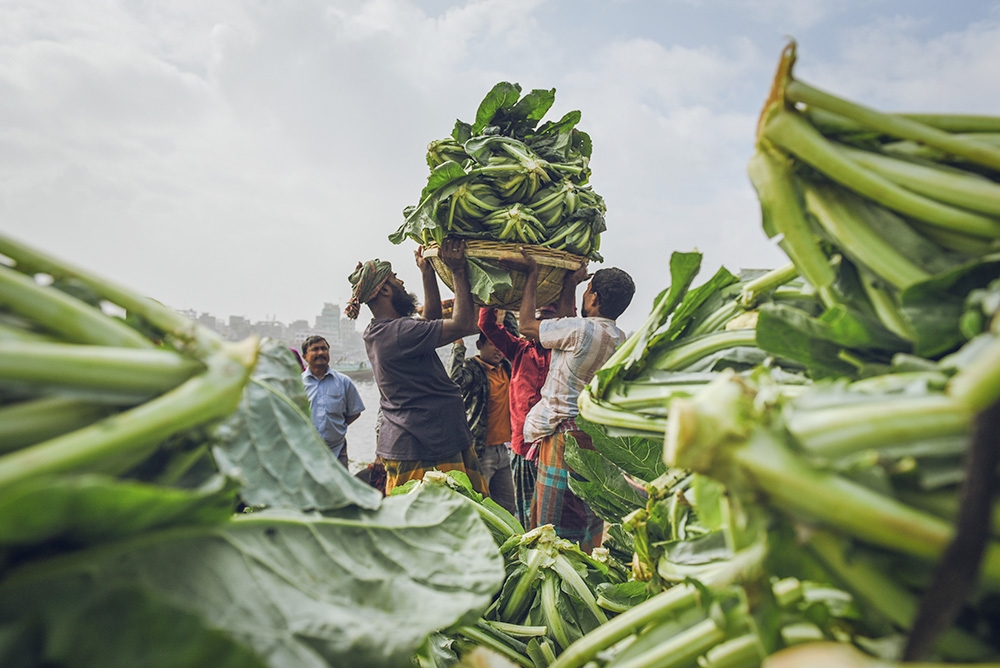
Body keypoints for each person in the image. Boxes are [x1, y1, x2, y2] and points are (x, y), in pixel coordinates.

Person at [345, 239, 486, 495]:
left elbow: (428, 322)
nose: (401, 283)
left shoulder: (379, 331)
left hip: (427, 441)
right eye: (396, 279)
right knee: (444, 523)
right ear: (386, 291)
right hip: (425, 447)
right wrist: (457, 269)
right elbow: (464, 324)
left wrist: (427, 272)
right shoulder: (399, 332)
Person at [517, 251, 635, 554]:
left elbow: (528, 326)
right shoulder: (620, 338)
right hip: (593, 436)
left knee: (552, 521)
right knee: (586, 507)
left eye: (587, 289)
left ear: (593, 298)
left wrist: (532, 275)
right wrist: (571, 284)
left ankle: (551, 571)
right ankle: (586, 566)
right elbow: (565, 320)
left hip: (563, 438)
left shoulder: (581, 330)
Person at [478, 305, 559, 530]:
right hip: (523, 449)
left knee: (553, 513)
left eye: (550, 323)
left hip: (553, 448)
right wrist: (491, 301)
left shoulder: (563, 353)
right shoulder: (519, 349)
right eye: (539, 321)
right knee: (525, 512)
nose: (543, 328)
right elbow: (487, 326)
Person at [450, 330, 516, 516]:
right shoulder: (472, 368)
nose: (498, 350)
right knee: (480, 507)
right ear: (480, 346)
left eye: (500, 345)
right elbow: (455, 382)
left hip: (504, 450)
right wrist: (458, 347)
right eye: (492, 344)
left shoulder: (507, 367)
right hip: (480, 451)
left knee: (507, 506)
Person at [300, 335, 366, 468]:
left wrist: (337, 427)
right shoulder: (297, 384)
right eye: (315, 349)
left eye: (324, 349)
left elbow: (354, 412)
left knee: (339, 488)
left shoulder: (343, 382)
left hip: (337, 450)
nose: (321, 353)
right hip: (305, 451)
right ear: (305, 356)